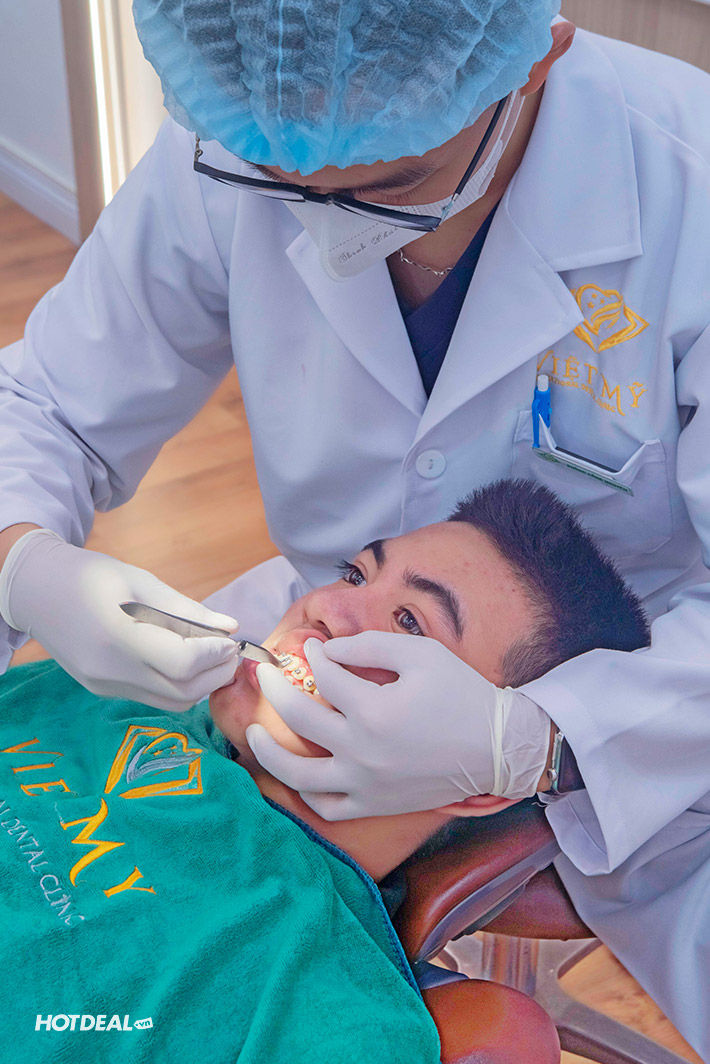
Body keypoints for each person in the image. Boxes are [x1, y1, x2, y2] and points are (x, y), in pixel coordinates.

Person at [1, 0, 710, 1054]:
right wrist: (23, 563)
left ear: (537, 54)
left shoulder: (689, 191)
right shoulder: (242, 123)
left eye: (394, 181)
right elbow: (44, 405)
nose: (327, 223)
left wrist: (539, 736)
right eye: (278, 184)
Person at [1, 481, 648, 1063]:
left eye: (410, 623)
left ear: (477, 773)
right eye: (357, 574)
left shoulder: (329, 1012)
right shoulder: (117, 690)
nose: (327, 605)